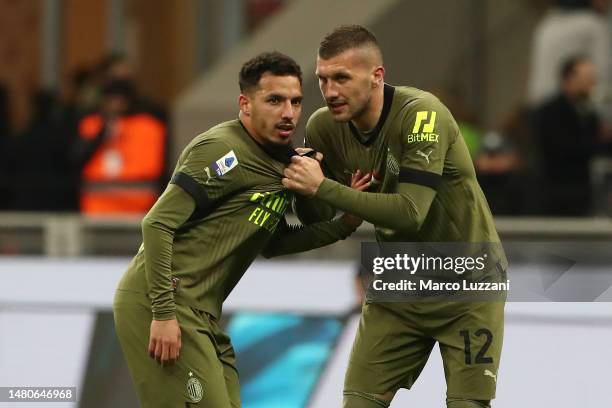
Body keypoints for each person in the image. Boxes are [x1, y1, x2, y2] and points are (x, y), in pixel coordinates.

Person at [113, 51, 367, 407]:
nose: (288, 113)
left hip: (202, 313)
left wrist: (344, 225)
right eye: (274, 100)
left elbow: (273, 243)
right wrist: (163, 313)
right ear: (245, 104)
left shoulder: (282, 162)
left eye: (295, 101)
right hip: (160, 303)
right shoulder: (222, 149)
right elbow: (156, 224)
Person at [282, 26, 507, 408]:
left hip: (467, 282)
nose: (330, 91)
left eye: (341, 78)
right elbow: (317, 213)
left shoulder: (421, 114)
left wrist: (327, 189)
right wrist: (299, 187)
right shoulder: (324, 127)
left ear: (377, 76)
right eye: (322, 79)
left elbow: (410, 213)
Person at [533, 56, 603, 215]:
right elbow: (560, 148)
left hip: (582, 194)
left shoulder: (589, 114)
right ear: (568, 79)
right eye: (586, 78)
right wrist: (598, 140)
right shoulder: (549, 112)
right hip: (556, 194)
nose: (592, 84)